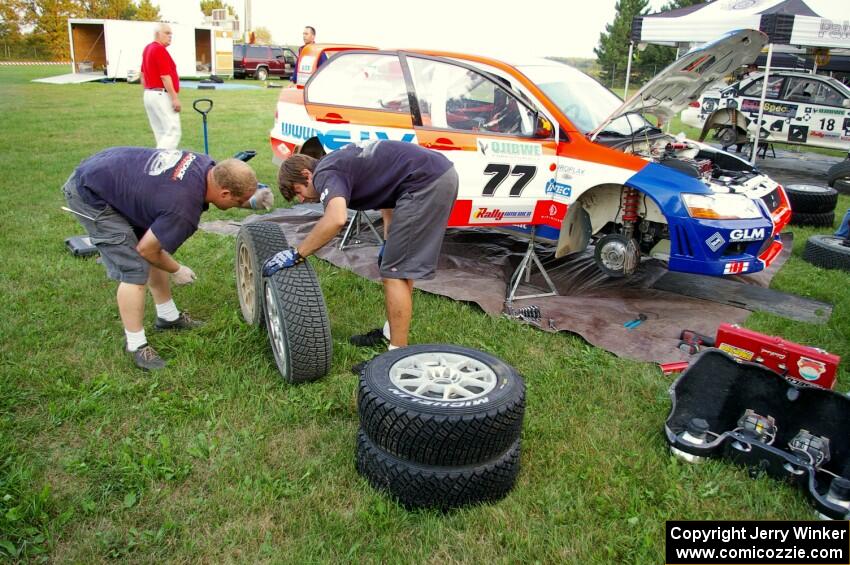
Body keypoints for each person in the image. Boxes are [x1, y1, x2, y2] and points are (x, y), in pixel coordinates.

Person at [62, 147, 266, 370]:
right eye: (239, 203)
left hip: (108, 168)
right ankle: (136, 346)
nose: (238, 206)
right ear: (225, 193)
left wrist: (252, 201)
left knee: (152, 245)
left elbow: (153, 247)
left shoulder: (206, 165)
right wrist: (177, 269)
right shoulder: (182, 209)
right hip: (90, 193)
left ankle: (168, 317)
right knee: (133, 268)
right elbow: (148, 251)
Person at [267, 140, 458, 371]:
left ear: (306, 174)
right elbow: (387, 194)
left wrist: (298, 253)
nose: (302, 200)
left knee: (395, 273)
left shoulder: (325, 173)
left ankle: (397, 359)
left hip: (426, 182)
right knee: (396, 266)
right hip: (429, 177)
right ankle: (391, 333)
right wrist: (389, 240)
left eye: (298, 192)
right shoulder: (338, 162)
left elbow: (336, 218)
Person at [141, 23, 181, 149]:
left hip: (150, 93)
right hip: (160, 94)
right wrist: (174, 98)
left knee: (161, 132)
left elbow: (142, 74)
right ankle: (161, 162)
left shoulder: (148, 49)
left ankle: (161, 161)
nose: (170, 36)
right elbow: (165, 76)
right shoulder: (159, 50)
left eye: (171, 33)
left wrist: (148, 90)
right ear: (158, 34)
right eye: (167, 33)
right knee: (173, 131)